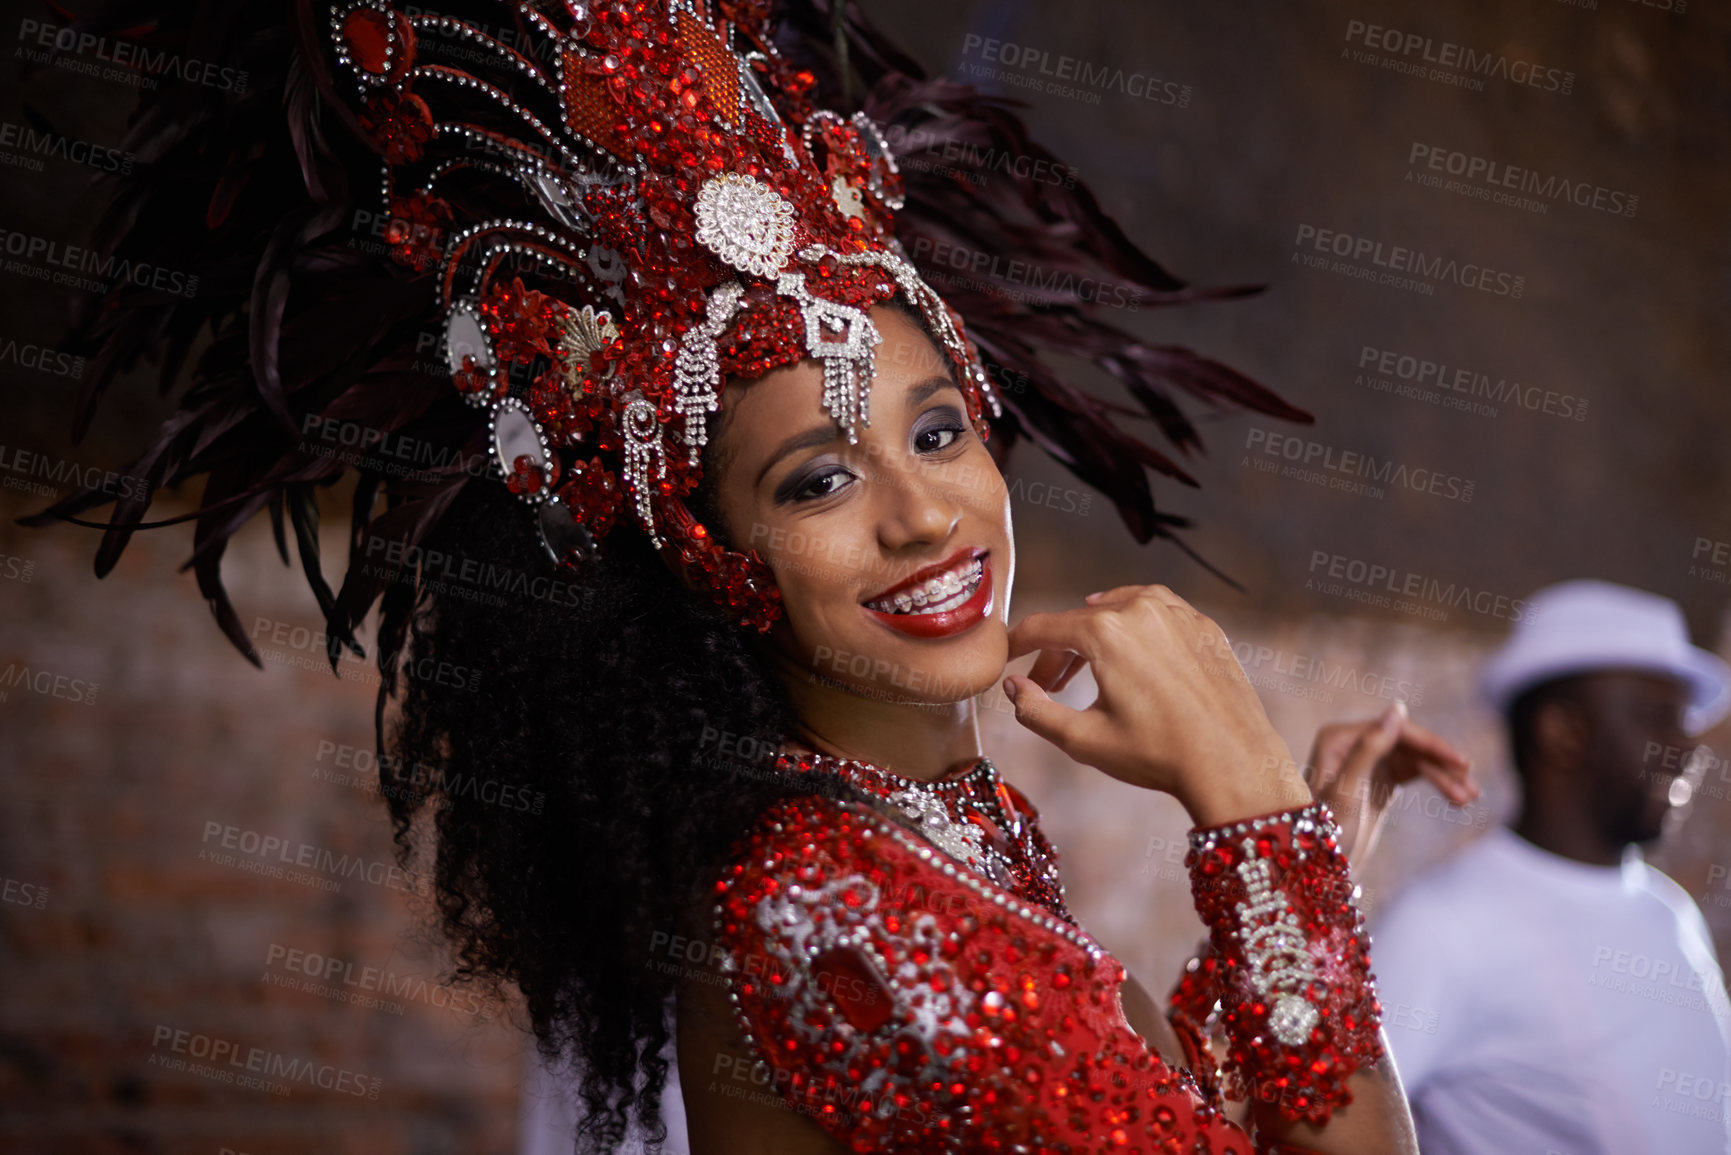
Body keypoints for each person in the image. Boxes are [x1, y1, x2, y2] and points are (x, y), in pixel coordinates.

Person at [29, 1, 1474, 1150]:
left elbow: (1169, 1117)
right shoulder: (824, 910)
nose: (921, 515)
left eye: (935, 430)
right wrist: (1246, 814)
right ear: (709, 553)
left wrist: (1303, 868)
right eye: (818, 480)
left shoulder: (932, 834)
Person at [1369, 579, 1731, 1154]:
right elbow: (1325, 1129)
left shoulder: (1670, 909)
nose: (1687, 748)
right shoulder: (1443, 925)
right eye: (1657, 717)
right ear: (1560, 731)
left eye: (1684, 721)